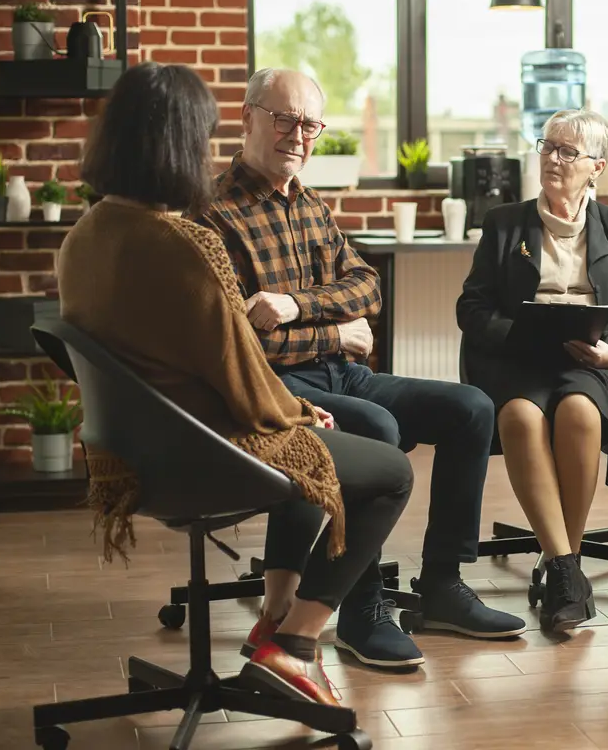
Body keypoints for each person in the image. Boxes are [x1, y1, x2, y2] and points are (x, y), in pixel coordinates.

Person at [57, 63, 415, 707]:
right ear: (178, 144)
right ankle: (296, 645)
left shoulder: (83, 237)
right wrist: (302, 411)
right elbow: (244, 378)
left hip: (137, 450)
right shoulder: (186, 242)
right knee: (388, 470)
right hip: (205, 450)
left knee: (327, 435)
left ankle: (277, 618)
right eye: (201, 136)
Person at [193, 67, 526, 670]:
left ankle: (443, 586)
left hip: (344, 372)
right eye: (284, 119)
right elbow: (238, 342)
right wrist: (334, 330)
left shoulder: (311, 205)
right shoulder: (213, 216)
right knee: (374, 428)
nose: (299, 135)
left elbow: (367, 286)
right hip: (279, 387)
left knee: (470, 408)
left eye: (310, 124)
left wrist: (296, 306)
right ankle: (359, 607)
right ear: (246, 117)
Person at [456, 109, 608, 632]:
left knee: (579, 414)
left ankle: (560, 563)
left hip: (589, 361)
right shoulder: (506, 223)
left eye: (568, 152)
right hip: (518, 359)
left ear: (597, 166)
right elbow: (472, 308)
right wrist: (516, 335)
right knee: (521, 419)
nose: (552, 158)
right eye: (547, 146)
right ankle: (568, 570)